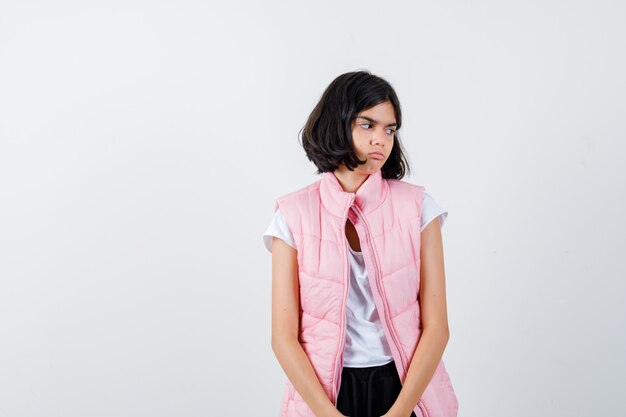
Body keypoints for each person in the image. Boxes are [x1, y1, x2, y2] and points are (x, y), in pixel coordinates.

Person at [263, 70, 458, 417]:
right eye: (367, 125)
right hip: (324, 393)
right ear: (337, 124)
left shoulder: (419, 208)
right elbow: (283, 337)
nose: (381, 139)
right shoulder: (292, 215)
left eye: (390, 129)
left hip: (405, 388)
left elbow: (437, 327)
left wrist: (399, 413)